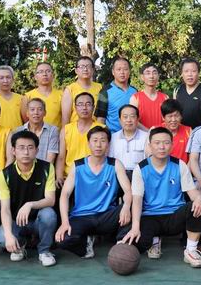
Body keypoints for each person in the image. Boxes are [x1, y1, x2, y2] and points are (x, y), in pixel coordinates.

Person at [121, 127, 201, 268]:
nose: (162, 147)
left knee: (196, 205)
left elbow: (193, 192)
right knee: (136, 244)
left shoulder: (180, 165)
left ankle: (190, 251)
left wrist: (198, 198)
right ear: (150, 146)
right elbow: (137, 200)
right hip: (150, 217)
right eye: (157, 143)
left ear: (172, 145)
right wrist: (135, 227)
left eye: (166, 143)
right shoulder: (140, 168)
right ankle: (154, 240)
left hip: (174, 217)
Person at [55, 126, 132, 259]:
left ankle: (121, 243)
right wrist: (64, 222)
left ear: (108, 144)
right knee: (62, 239)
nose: (98, 145)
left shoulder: (115, 164)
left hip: (107, 215)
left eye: (103, 140)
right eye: (95, 140)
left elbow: (128, 191)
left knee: (133, 207)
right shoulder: (78, 165)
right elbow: (65, 195)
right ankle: (85, 247)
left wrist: (126, 206)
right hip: (82, 216)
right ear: (88, 143)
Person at [0, 131, 58, 267]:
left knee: (49, 214)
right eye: (21, 148)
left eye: (30, 147)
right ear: (13, 150)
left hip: (38, 220)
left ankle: (44, 251)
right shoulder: (4, 175)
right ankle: (21, 245)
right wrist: (8, 234)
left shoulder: (47, 168)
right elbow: (5, 209)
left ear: (37, 150)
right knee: (2, 238)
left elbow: (50, 200)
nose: (26, 152)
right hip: (16, 222)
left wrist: (30, 204)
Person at [56, 92, 104, 185]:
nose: (84, 108)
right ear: (75, 107)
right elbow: (61, 157)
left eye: (88, 104)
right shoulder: (66, 129)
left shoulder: (102, 129)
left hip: (93, 178)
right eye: (80, 104)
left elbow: (105, 157)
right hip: (69, 177)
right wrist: (59, 176)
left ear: (93, 107)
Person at [8, 98, 60, 164]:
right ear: (27, 113)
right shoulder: (18, 131)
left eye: (40, 109)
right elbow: (14, 157)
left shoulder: (53, 130)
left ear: (45, 113)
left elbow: (50, 160)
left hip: (44, 169)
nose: (36, 113)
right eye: (32, 109)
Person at [95, 56, 137, 133]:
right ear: (113, 72)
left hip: (133, 136)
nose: (122, 72)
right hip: (113, 136)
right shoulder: (105, 92)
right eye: (118, 69)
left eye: (125, 69)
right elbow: (100, 119)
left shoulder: (135, 91)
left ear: (129, 71)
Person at [109, 104, 149, 179]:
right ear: (120, 120)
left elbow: (149, 162)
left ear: (137, 119)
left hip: (140, 176)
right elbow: (110, 162)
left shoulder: (146, 137)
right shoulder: (113, 138)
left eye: (132, 116)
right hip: (117, 176)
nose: (128, 120)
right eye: (125, 117)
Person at [173, 58, 201, 129]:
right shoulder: (177, 90)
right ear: (182, 73)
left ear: (199, 73)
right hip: (182, 132)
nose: (190, 74)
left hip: (200, 132)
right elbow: (175, 114)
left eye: (193, 71)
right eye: (186, 71)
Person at [61, 56, 103, 125]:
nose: (85, 69)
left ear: (93, 69)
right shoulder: (69, 90)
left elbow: (103, 114)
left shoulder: (100, 88)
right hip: (75, 129)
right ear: (76, 70)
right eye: (81, 66)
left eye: (88, 66)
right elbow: (65, 118)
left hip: (95, 129)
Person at [22, 62, 63, 129]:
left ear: (53, 75)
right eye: (41, 72)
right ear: (35, 77)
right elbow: (25, 120)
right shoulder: (27, 97)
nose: (44, 74)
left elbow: (66, 118)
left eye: (48, 71)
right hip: (34, 134)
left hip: (56, 134)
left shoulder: (62, 95)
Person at [128, 63, 168, 130]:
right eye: (148, 73)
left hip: (161, 134)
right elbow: (133, 119)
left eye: (154, 73)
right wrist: (148, 132)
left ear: (158, 76)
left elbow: (168, 119)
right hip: (142, 135)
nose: (151, 76)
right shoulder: (135, 98)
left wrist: (157, 132)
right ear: (142, 77)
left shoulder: (165, 98)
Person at [0, 65, 23, 130]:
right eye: (1, 78)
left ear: (13, 79)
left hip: (18, 134)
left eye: (8, 77)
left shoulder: (21, 99)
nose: (5, 81)